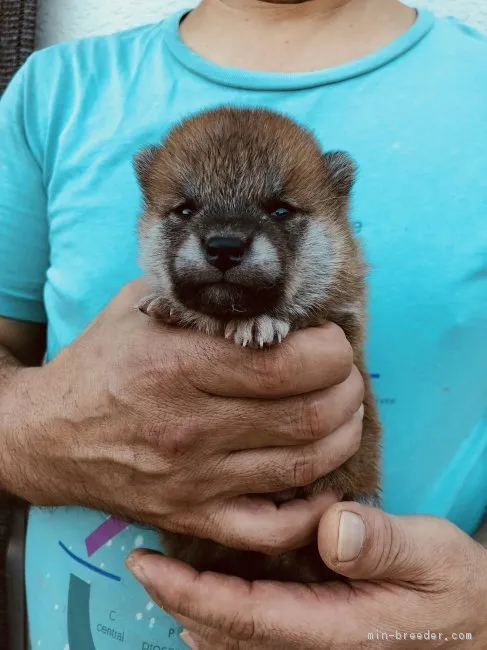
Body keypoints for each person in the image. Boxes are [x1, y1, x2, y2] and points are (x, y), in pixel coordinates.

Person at [0, 0, 485, 648]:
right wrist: (29, 429)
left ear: (334, 207)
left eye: (280, 211)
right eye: (185, 211)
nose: (224, 240)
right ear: (147, 201)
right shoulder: (52, 90)